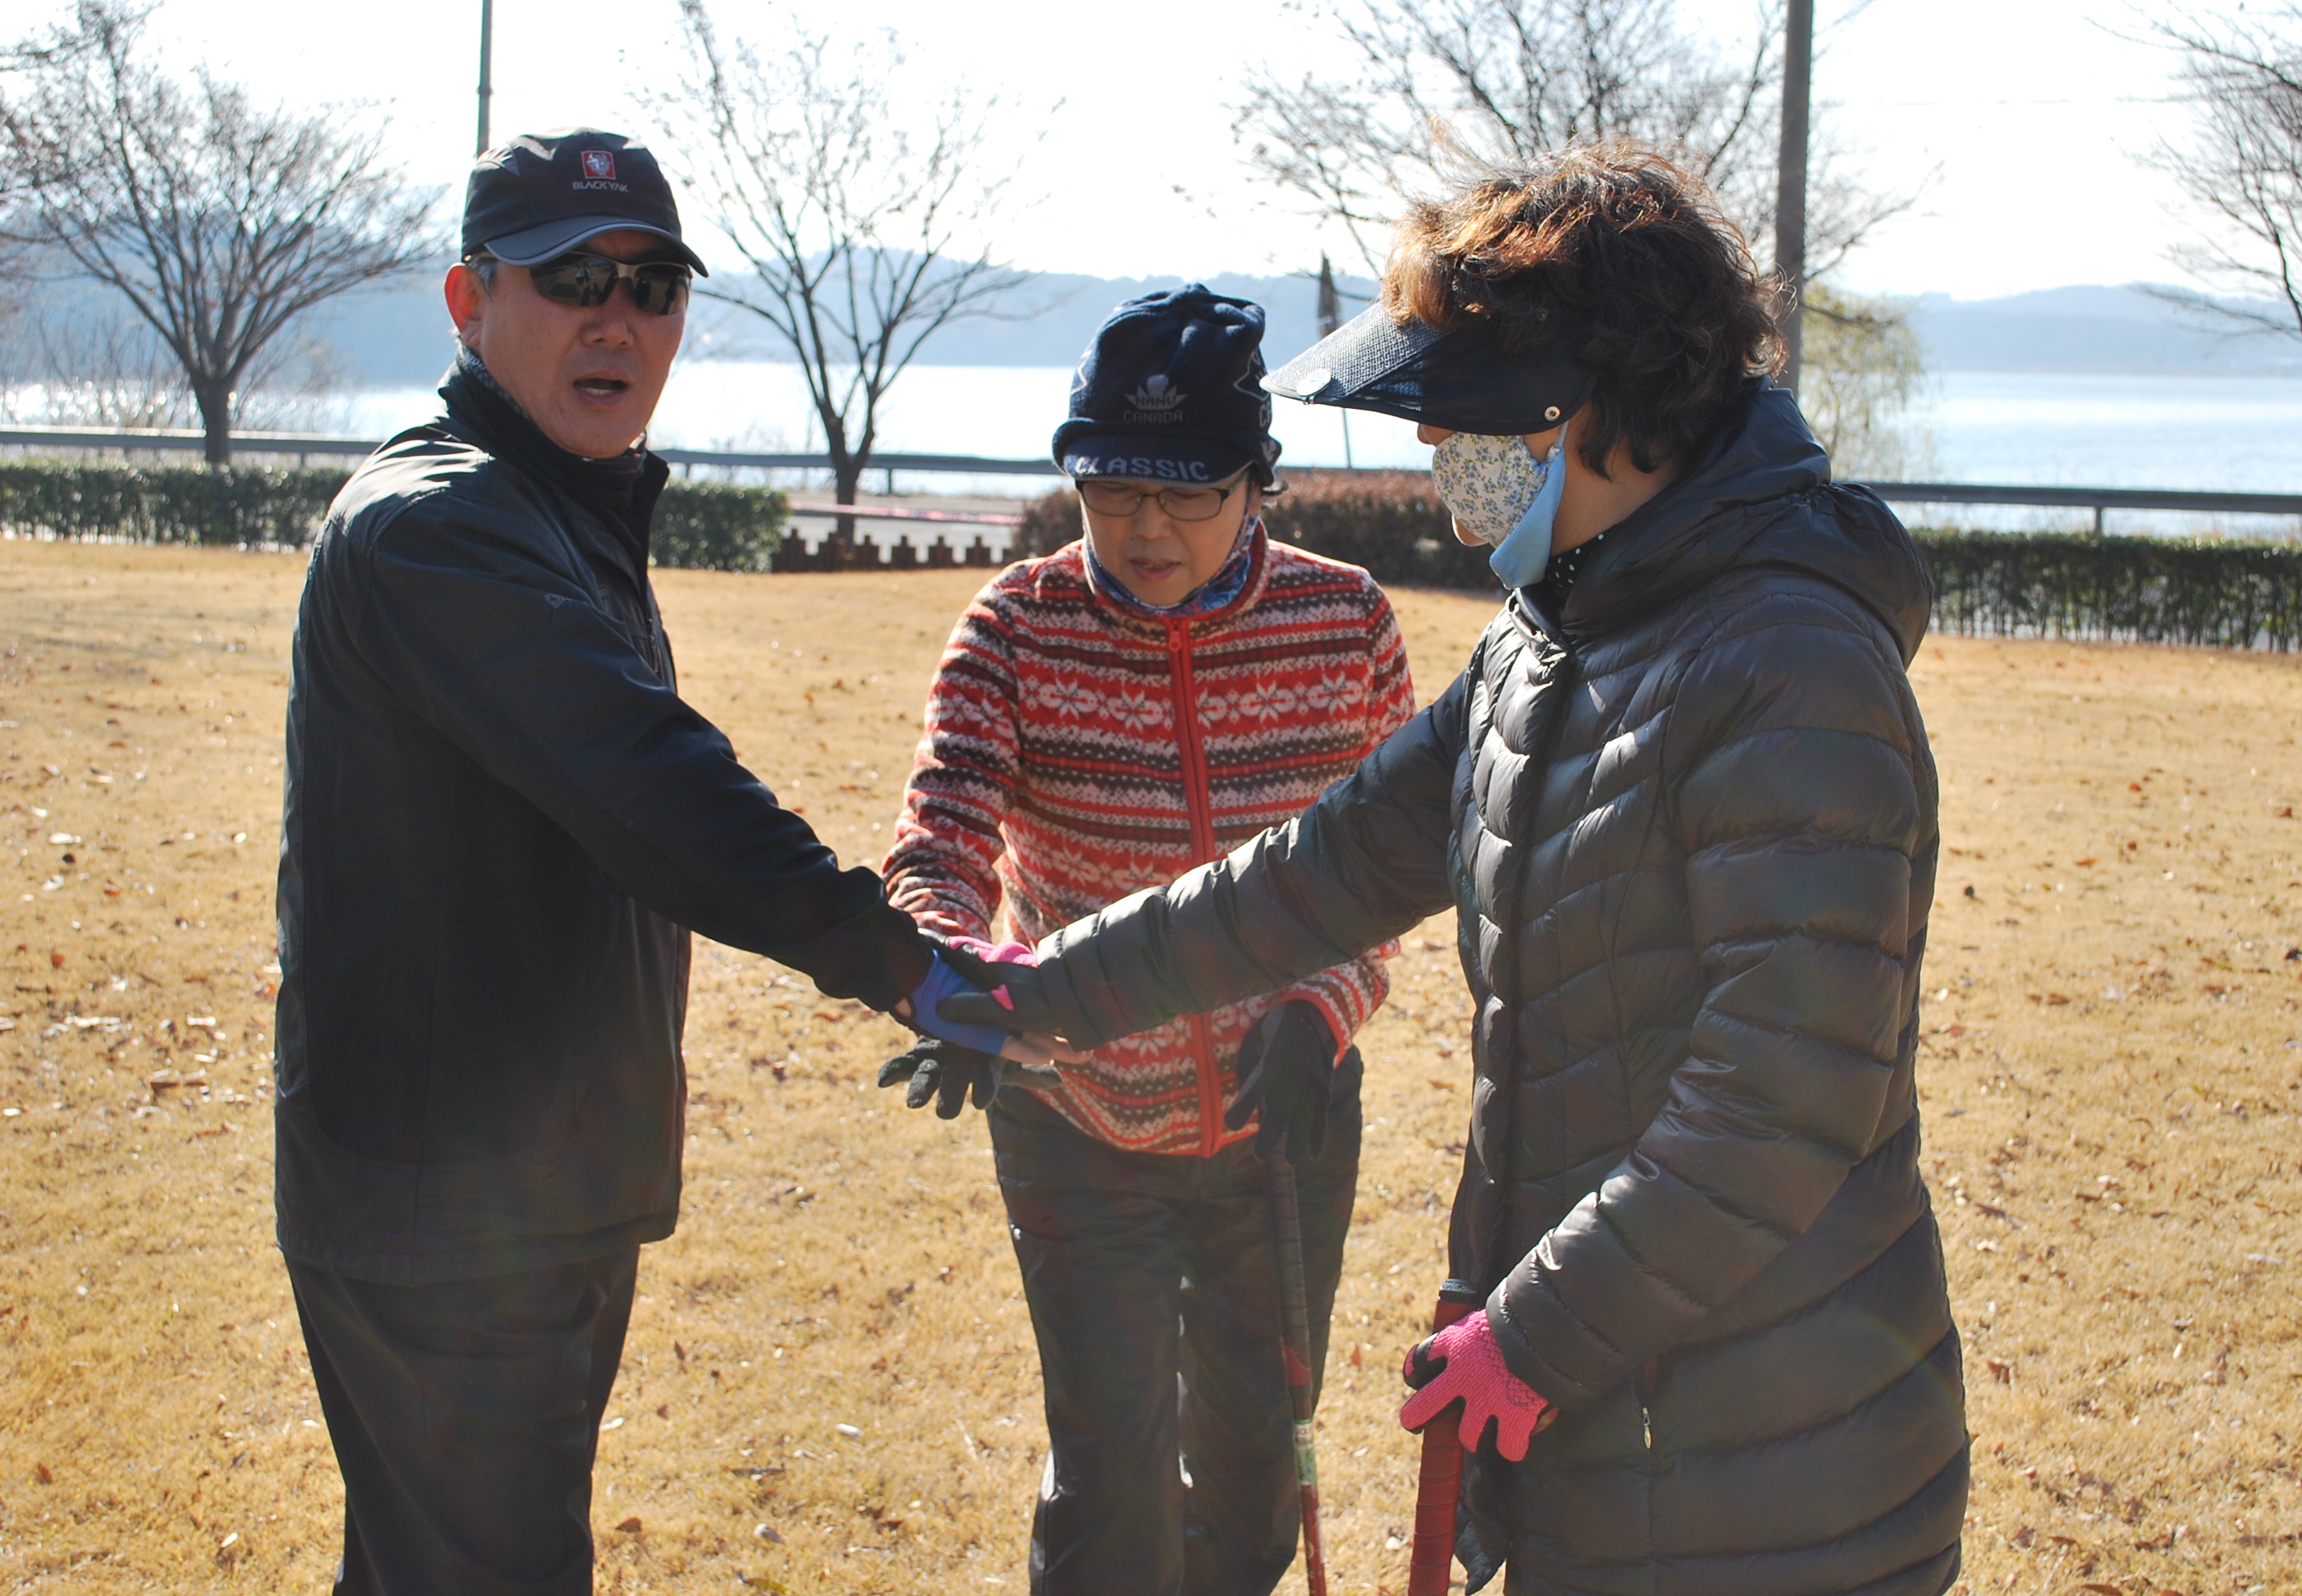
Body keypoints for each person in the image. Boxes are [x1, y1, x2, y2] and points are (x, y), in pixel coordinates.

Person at [944, 145, 1967, 1596]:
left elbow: (1782, 1098)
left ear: (1577, 408)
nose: (1430, 445)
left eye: (1454, 413)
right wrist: (1040, 991)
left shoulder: (1789, 663)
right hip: (1609, 1422)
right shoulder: (1548, 640)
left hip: (1780, 1465)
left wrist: (1532, 1334)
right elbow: (1311, 873)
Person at [274, 128, 1043, 1596]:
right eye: (570, 279)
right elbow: (649, 788)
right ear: (469, 300)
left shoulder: (555, 508)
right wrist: (905, 963)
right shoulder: (440, 527)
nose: (616, 318)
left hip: (532, 1177)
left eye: (653, 284)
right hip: (442, 1200)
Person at [875, 284, 1418, 1595]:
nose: (1146, 527)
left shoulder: (1346, 622)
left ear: (1258, 482)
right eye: (1112, 488)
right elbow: (939, 841)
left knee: (1251, 1488)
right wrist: (949, 969)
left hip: (1282, 1117)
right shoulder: (1016, 626)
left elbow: (1391, 872)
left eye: (1189, 493)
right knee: (1109, 1482)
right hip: (1077, 1121)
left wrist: (1326, 1006)